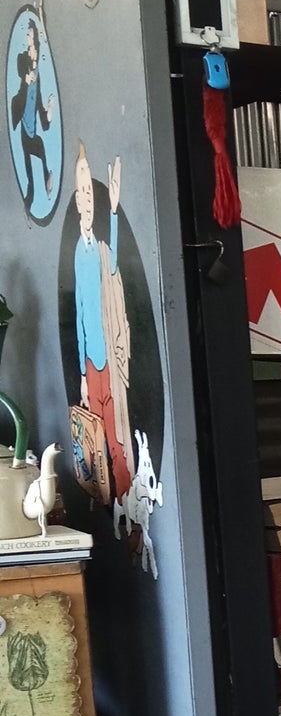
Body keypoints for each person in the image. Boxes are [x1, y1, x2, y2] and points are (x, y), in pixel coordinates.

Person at [73, 143, 132, 499]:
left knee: (114, 433)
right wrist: (82, 373)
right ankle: (109, 501)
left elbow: (112, 270)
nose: (86, 199)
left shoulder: (101, 249)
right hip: (92, 362)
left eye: (89, 192)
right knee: (95, 441)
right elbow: (79, 312)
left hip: (109, 356)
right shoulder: (79, 252)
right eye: (82, 193)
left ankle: (127, 498)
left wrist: (113, 211)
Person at [10, 19, 54, 209]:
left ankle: (46, 182)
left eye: (32, 40)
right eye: (29, 38)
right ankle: (30, 203)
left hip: (32, 130)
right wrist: (26, 81)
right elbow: (20, 69)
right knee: (29, 178)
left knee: (42, 148)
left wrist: (49, 109)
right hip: (24, 132)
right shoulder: (24, 63)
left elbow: (42, 113)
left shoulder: (38, 76)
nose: (30, 45)